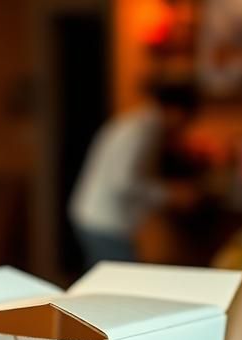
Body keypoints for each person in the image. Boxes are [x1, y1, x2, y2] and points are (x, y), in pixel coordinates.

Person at [69, 80, 200, 267]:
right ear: (177, 111)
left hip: (100, 216)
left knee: (114, 277)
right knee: (118, 280)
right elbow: (123, 182)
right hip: (104, 219)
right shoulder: (139, 131)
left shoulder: (139, 124)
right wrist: (171, 194)